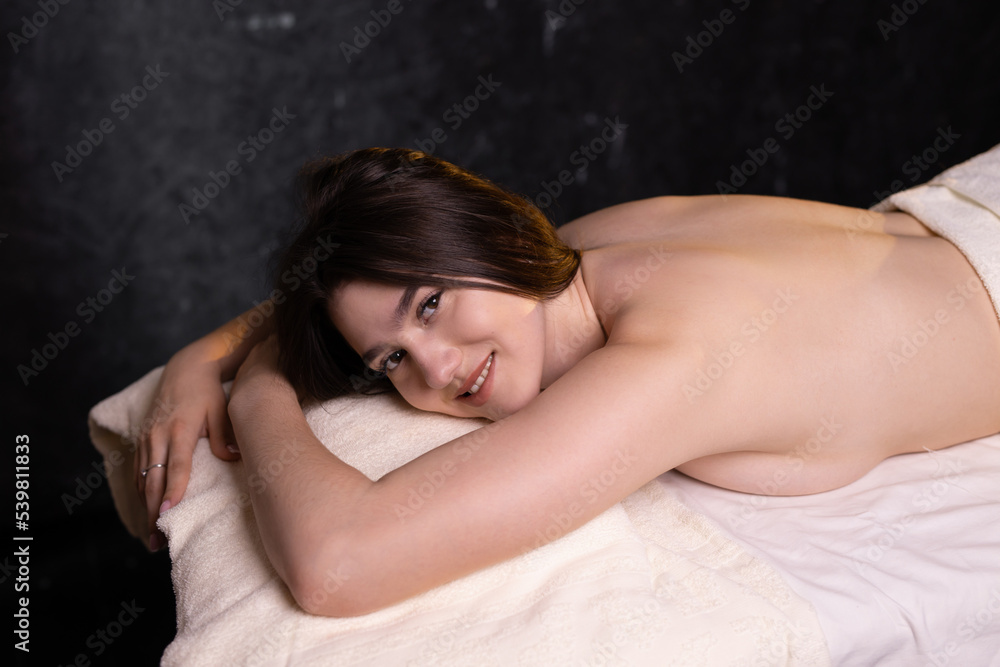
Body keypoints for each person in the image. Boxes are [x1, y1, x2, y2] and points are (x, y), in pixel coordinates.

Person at [137, 147, 1000, 617]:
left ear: (493, 238)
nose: (435, 370)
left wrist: (255, 390)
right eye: (389, 361)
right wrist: (199, 356)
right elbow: (341, 293)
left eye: (432, 304)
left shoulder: (674, 357)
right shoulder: (584, 250)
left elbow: (338, 563)